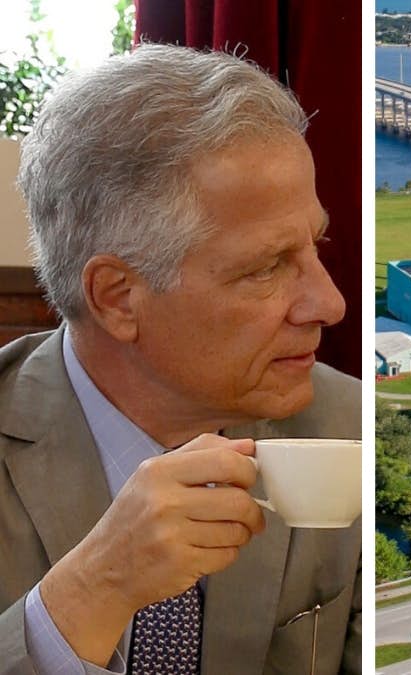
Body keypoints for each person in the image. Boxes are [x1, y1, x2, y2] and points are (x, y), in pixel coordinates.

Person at [0, 44, 361, 674]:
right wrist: (90, 593)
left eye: (316, 245)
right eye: (267, 267)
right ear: (119, 298)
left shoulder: (357, 428)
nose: (330, 304)